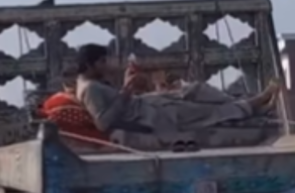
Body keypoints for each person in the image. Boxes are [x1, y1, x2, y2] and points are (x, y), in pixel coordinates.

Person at [74, 44, 280, 142]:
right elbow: (103, 122)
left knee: (196, 90)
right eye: (102, 61)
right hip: (152, 116)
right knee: (208, 113)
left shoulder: (90, 83)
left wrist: (128, 88)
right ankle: (258, 102)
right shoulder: (90, 89)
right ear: (90, 64)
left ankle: (254, 106)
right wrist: (127, 88)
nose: (106, 65)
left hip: (149, 104)